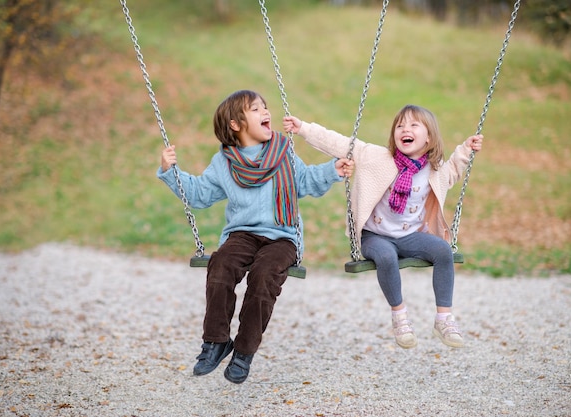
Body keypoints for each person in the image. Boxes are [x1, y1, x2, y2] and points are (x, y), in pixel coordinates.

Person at [157, 90, 354, 383]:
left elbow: (304, 181)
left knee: (263, 276)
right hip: (242, 234)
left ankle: (244, 352)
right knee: (221, 263)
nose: (265, 112)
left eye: (265, 107)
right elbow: (198, 194)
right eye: (255, 109)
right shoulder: (224, 162)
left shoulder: (283, 151)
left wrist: (332, 170)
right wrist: (169, 171)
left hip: (282, 236)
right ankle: (215, 341)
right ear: (236, 124)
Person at [283, 104, 483, 349]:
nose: (404, 129)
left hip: (410, 236)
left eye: (413, 125)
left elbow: (453, 171)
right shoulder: (375, 157)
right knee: (386, 256)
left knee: (443, 250)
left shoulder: (434, 169)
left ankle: (444, 318)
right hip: (374, 237)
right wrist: (303, 128)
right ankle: (400, 317)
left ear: (429, 137)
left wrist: (466, 149)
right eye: (399, 125)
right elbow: (339, 143)